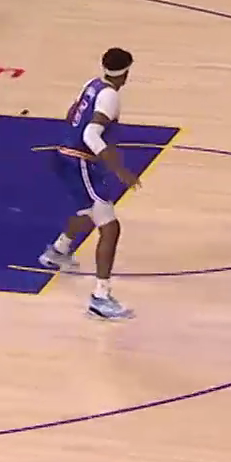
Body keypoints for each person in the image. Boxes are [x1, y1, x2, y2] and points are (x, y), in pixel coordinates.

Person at [39, 47, 142, 320]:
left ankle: (58, 251)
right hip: (80, 161)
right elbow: (91, 134)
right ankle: (100, 297)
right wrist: (119, 170)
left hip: (65, 155)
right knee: (110, 227)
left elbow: (71, 114)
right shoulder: (110, 96)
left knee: (87, 212)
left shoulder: (92, 85)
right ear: (126, 72)